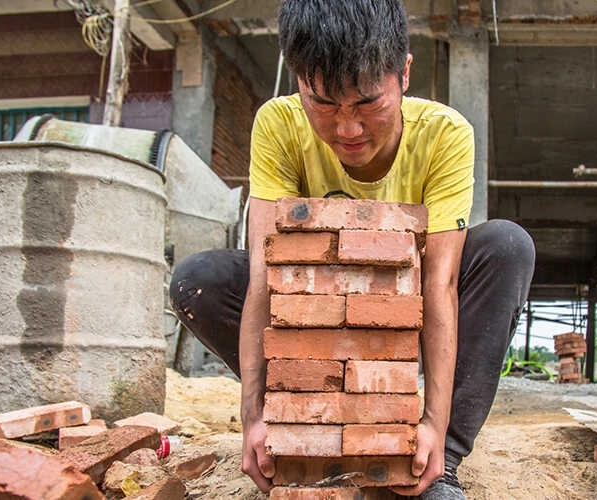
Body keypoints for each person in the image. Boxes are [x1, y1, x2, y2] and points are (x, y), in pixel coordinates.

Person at [169, 0, 535, 498]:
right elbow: (263, 275)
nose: (347, 130)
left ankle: (438, 461)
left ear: (403, 74)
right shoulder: (278, 125)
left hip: (415, 315)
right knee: (201, 280)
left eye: (367, 103)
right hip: (313, 323)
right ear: (299, 80)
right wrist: (253, 418)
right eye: (323, 104)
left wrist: (431, 421)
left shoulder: (446, 135)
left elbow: (441, 284)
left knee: (507, 246)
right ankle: (301, 413)